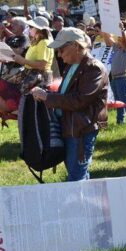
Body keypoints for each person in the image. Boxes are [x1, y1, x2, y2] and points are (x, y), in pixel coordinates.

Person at [30, 28, 108, 181]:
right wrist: (47, 96)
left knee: (75, 178)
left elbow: (79, 100)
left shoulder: (93, 68)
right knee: (78, 173)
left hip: (81, 130)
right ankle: (87, 204)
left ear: (76, 46)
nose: (59, 55)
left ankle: (77, 204)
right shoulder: (72, 66)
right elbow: (67, 96)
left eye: (61, 49)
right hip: (70, 127)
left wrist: (47, 97)